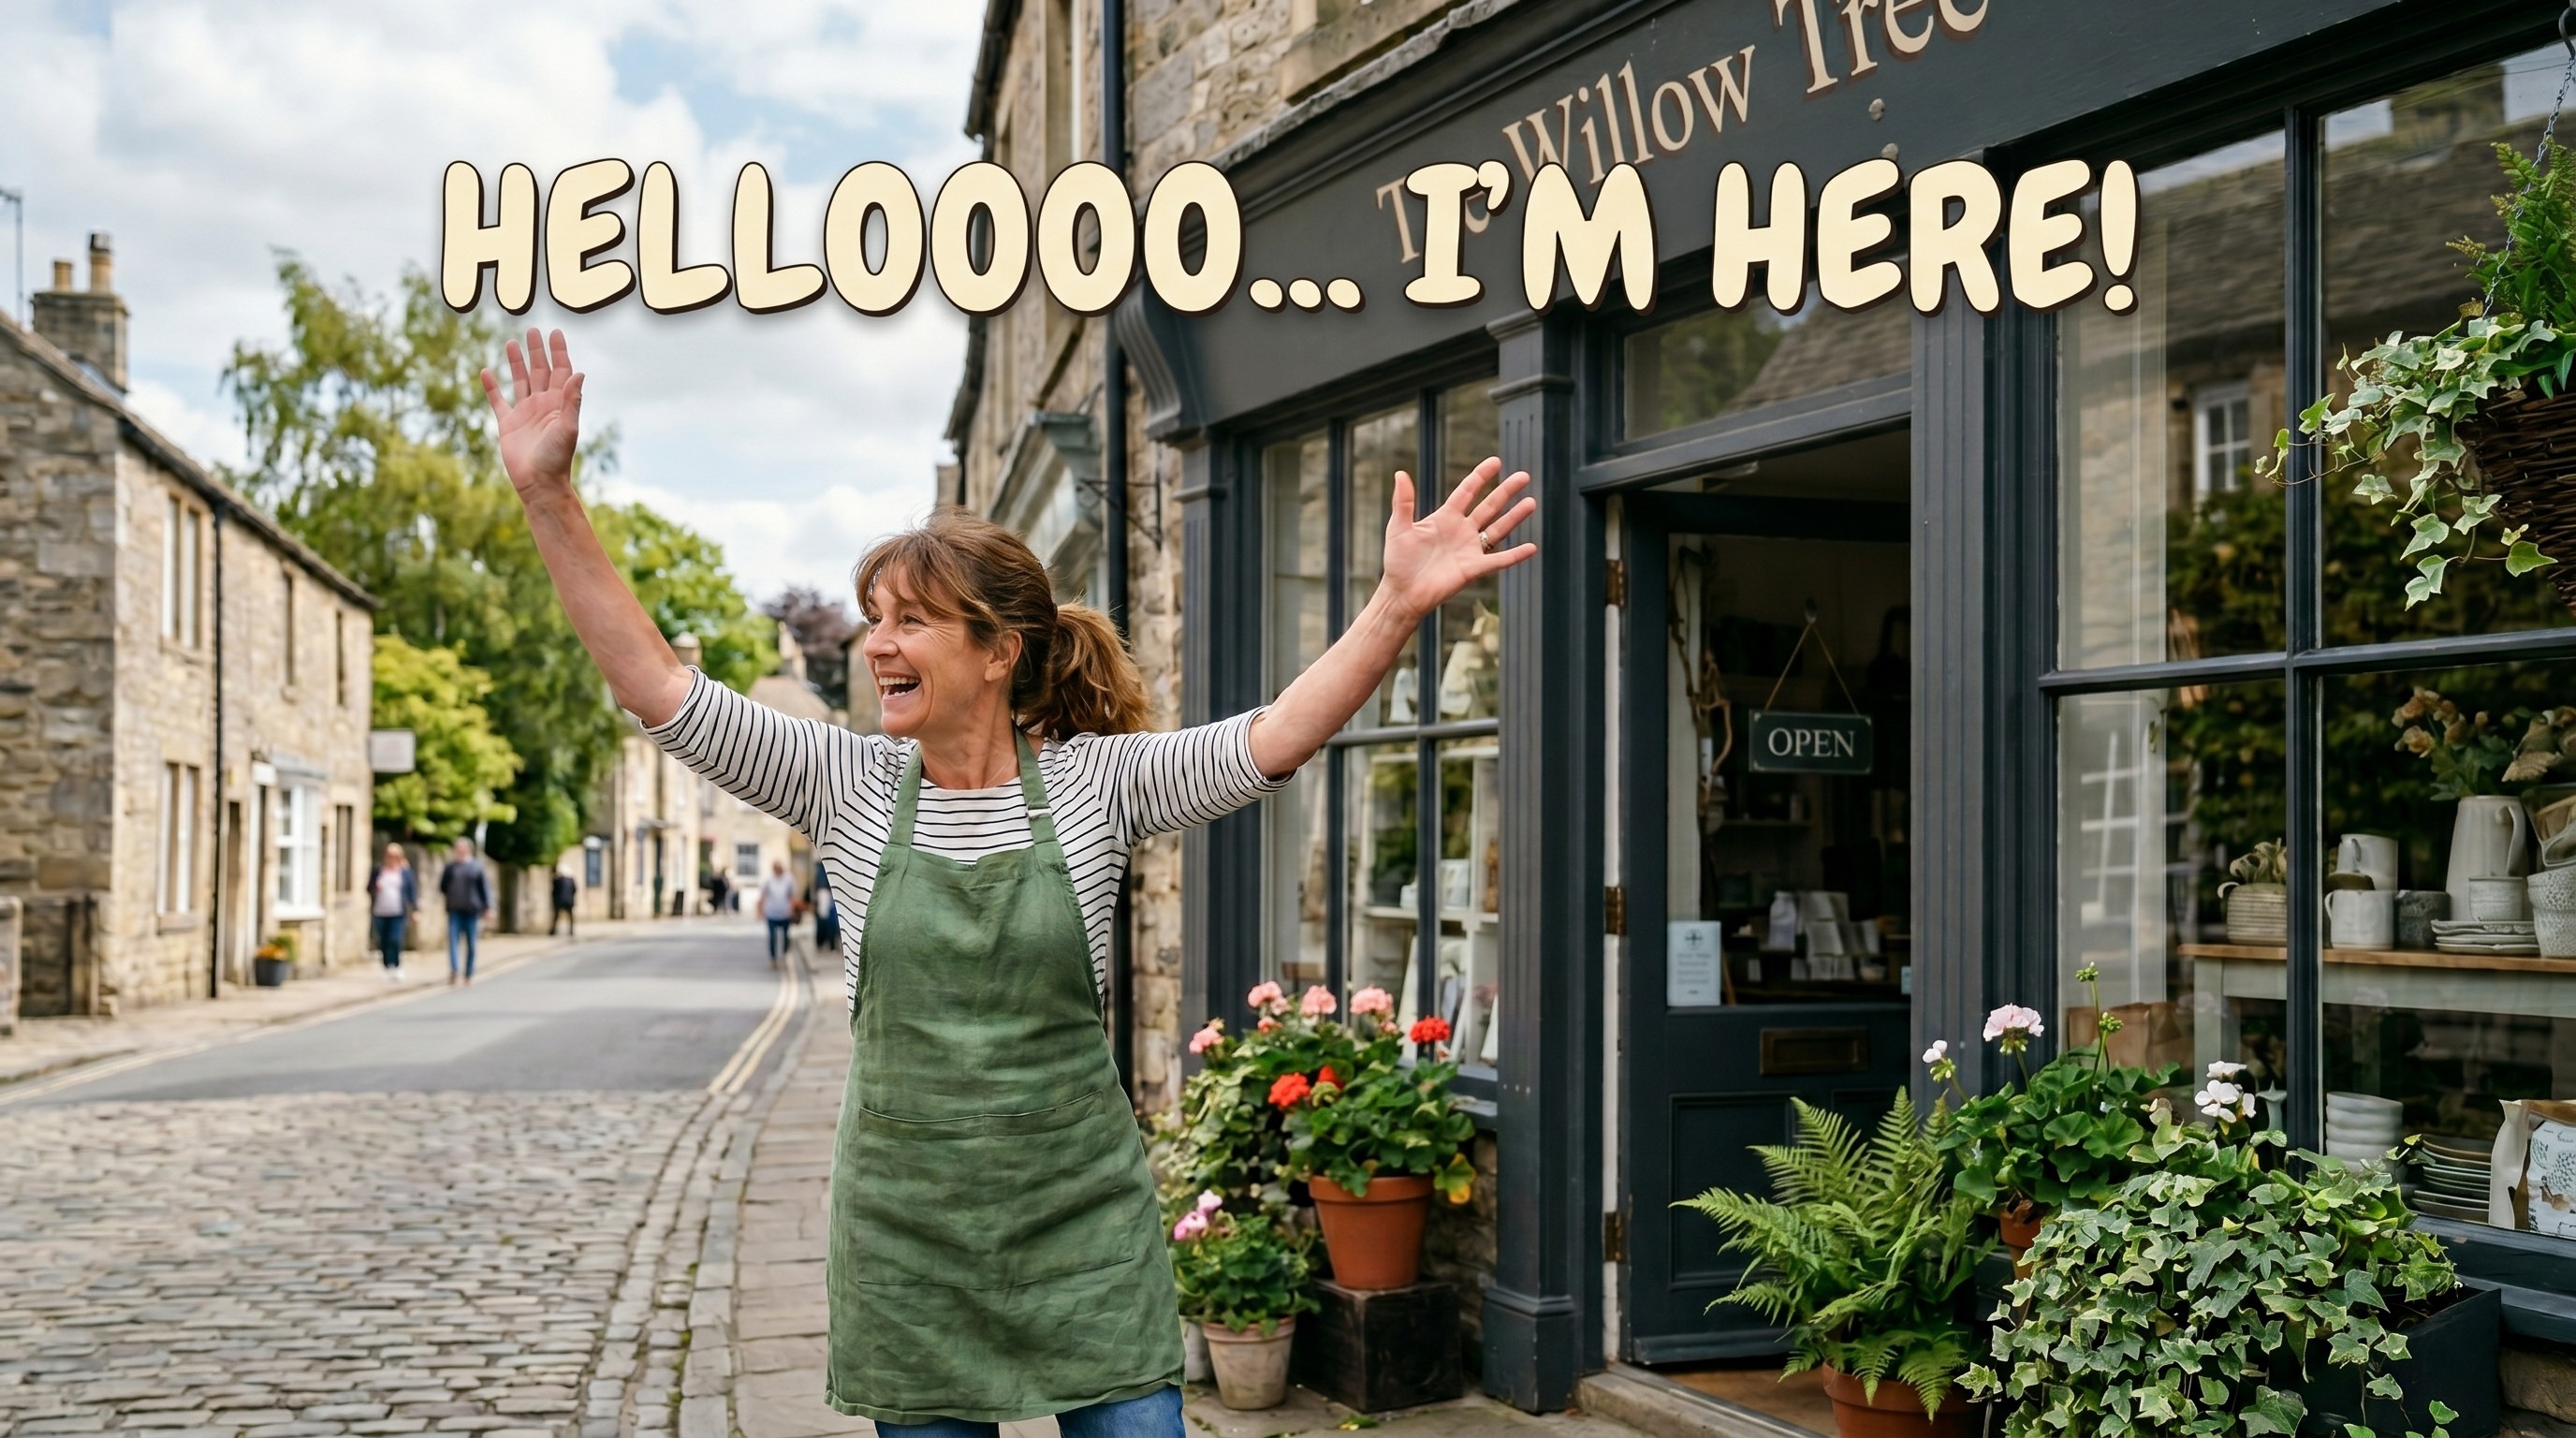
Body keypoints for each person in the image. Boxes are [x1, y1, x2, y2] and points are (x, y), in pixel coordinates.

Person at [481, 330, 1530, 1436]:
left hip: (1082, 1228)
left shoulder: (1096, 785)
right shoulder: (842, 784)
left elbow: (1273, 738)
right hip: (907, 1241)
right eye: (873, 619)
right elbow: (657, 685)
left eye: (910, 621)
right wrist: (548, 496)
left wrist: (1396, 604)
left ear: (997, 652)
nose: (878, 645)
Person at [440, 837, 495, 985]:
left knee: (471, 944)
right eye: (457, 849)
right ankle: (454, 970)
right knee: (453, 942)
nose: (459, 852)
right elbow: (443, 887)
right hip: (455, 910)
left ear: (468, 850)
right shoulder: (450, 868)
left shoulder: (476, 867)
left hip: (472, 911)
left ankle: (469, 972)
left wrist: (488, 907)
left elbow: (485, 889)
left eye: (462, 849)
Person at [369, 844, 417, 981]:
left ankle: (396, 966)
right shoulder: (379, 871)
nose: (392, 859)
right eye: (389, 855)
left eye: (395, 856)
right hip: (380, 911)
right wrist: (375, 887)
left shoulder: (405, 872)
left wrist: (415, 910)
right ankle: (386, 967)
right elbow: (369, 887)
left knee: (395, 939)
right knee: (383, 941)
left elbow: (412, 891)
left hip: (398, 912)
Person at [758, 859, 798, 965]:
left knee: (785, 936)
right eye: (776, 868)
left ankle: (785, 955)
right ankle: (773, 958)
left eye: (780, 868)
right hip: (771, 913)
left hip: (785, 913)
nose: (778, 870)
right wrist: (760, 911)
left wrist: (791, 909)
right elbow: (762, 896)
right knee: (772, 937)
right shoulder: (769, 880)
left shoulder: (789, 879)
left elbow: (793, 896)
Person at [550, 868, 578, 936]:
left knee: (556, 916)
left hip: (559, 900)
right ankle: (571, 931)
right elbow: (575, 889)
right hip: (569, 900)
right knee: (570, 916)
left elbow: (554, 891)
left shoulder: (557, 880)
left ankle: (553, 930)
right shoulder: (571, 880)